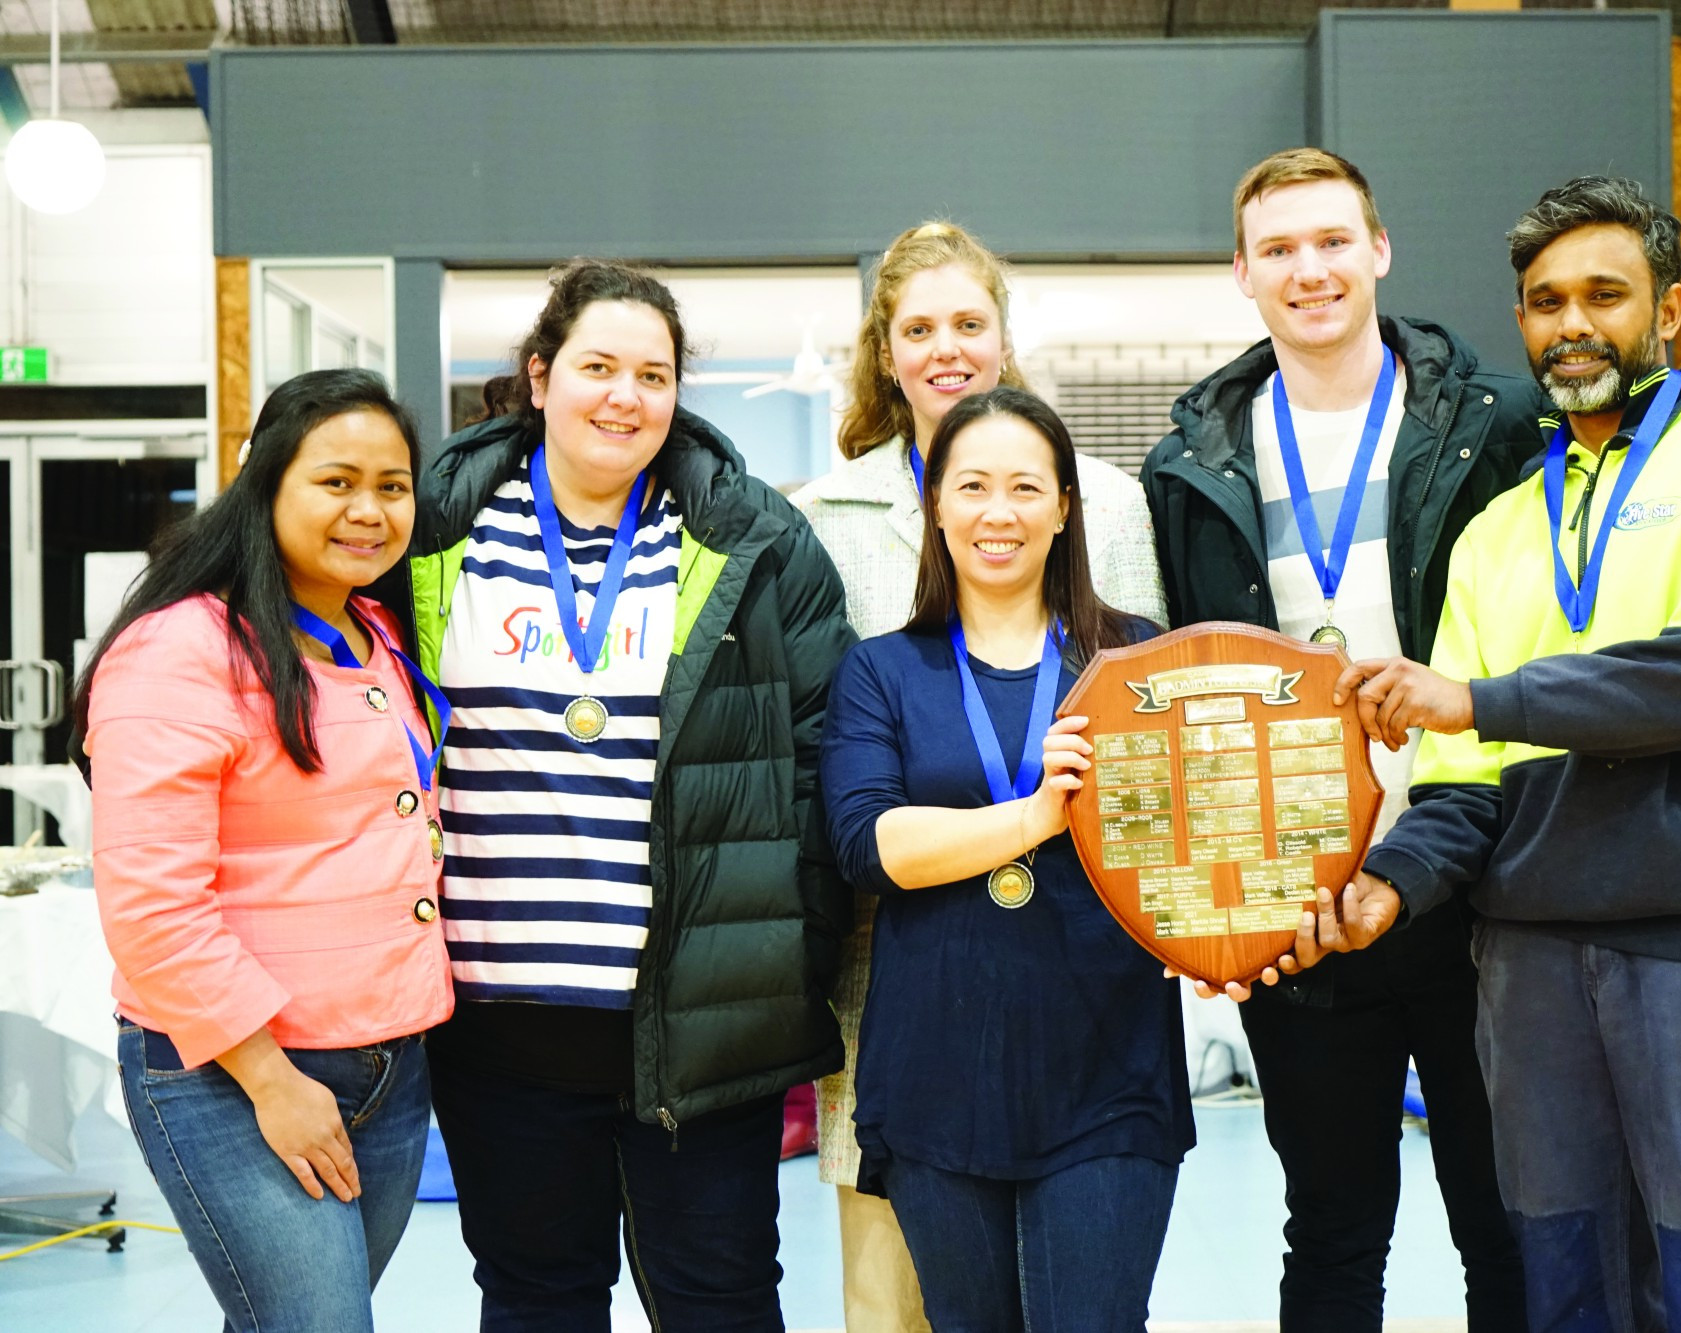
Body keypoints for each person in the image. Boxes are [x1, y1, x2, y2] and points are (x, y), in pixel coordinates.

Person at [1331, 176, 1681, 1329]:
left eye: (1602, 294)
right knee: (1561, 1289)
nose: (1570, 324)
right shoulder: (1494, 531)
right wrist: (1389, 884)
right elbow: (1461, 782)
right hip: (1532, 970)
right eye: (1542, 301)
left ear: (1665, 309)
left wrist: (1476, 697)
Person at [392, 260, 854, 1330]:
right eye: (597, 366)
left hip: (703, 1022)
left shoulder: (756, 544)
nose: (624, 396)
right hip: (499, 1021)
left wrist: (785, 958)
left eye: (654, 373)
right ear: (539, 375)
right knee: (536, 1300)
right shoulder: (434, 535)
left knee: (720, 1303)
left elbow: (820, 756)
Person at [1138, 147, 1533, 1331]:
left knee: (1504, 1219)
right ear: (1241, 275)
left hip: (1479, 884)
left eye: (1328, 241)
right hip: (1299, 901)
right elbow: (1177, 699)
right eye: (1277, 250)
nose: (1307, 270)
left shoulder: (1492, 425)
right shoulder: (1190, 465)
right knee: (1330, 1225)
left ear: (1378, 251)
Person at [791, 219, 1164, 1333]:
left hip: (1088, 977)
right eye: (918, 326)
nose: (944, 347)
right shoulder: (826, 520)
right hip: (901, 963)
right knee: (893, 1298)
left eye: (967, 321)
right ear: (883, 348)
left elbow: (1143, 735)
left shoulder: (1113, 507)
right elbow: (847, 800)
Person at [79, 369, 451, 1331]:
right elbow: (152, 906)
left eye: (393, 485)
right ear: (267, 485)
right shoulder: (180, 648)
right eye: (336, 481)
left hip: (388, 1061)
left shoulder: (374, 633)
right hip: (234, 1071)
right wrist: (270, 1079)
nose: (369, 510)